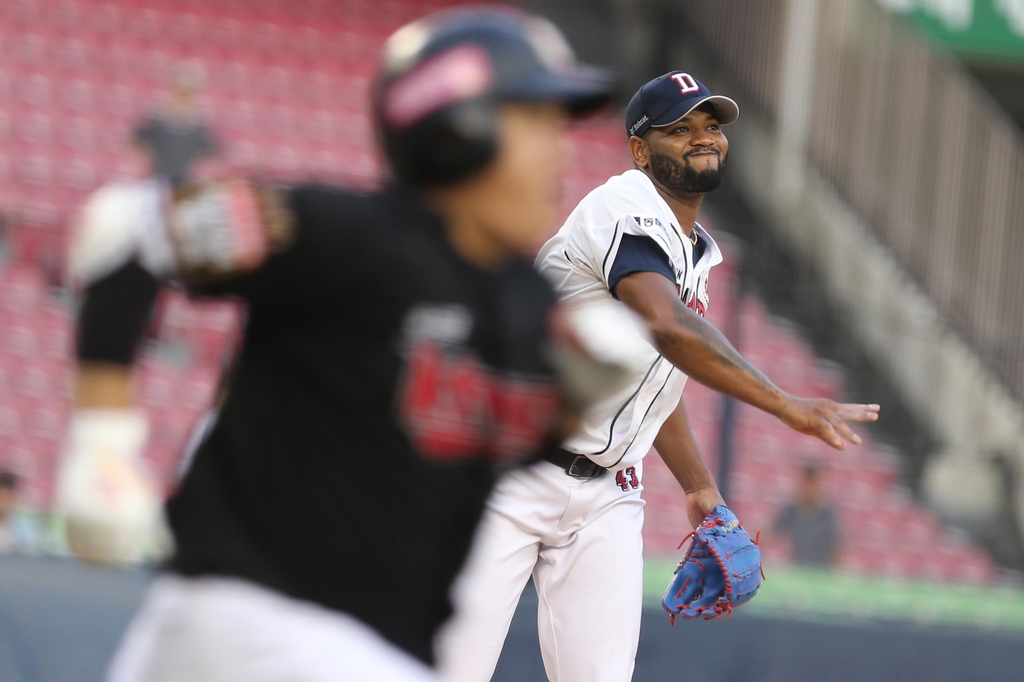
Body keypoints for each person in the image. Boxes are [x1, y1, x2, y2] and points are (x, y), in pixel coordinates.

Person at [55, 9, 617, 681]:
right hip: (255, 621)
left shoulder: (531, 308)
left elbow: (446, 454)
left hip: (356, 645)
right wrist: (103, 444)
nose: (563, 151)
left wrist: (567, 413)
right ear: (456, 130)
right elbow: (125, 231)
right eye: (537, 122)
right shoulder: (348, 238)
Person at [436, 71, 880, 682]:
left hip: (608, 495)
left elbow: (651, 365)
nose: (704, 138)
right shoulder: (623, 205)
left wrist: (699, 487)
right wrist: (783, 404)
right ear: (641, 150)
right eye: (680, 128)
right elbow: (668, 328)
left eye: (711, 126)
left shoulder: (691, 248)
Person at [133, 63, 220, 184]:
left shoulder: (199, 123)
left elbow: (211, 150)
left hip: (184, 180)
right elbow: (138, 140)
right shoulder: (159, 116)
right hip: (157, 177)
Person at [774, 463, 841, 567]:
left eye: (812, 483)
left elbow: (836, 548)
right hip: (798, 570)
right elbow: (772, 535)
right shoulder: (792, 510)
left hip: (821, 572)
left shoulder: (827, 514)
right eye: (806, 483)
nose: (809, 489)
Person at [0, 470, 39, 554]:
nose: (4, 501)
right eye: (2, 496)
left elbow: (32, 552)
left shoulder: (24, 525)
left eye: (8, 496)